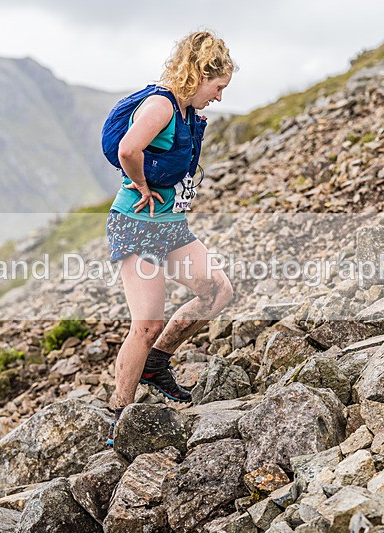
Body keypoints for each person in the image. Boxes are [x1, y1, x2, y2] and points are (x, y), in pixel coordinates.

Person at [104, 30, 236, 445]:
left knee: (218, 292)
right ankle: (120, 415)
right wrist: (142, 185)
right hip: (137, 225)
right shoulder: (161, 105)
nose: (219, 97)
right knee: (146, 324)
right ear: (198, 75)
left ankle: (156, 363)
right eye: (217, 87)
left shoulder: (185, 109)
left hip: (171, 226)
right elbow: (129, 150)